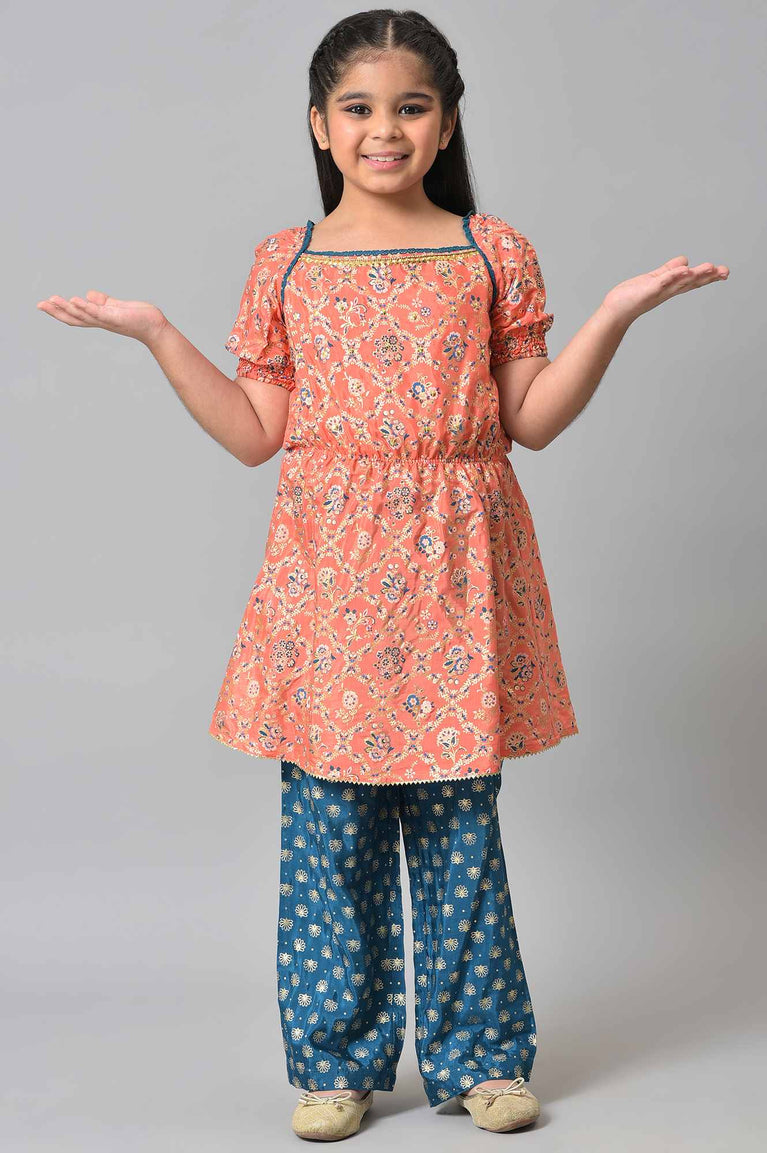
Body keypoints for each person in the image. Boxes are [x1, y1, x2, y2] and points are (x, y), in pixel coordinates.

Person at [36, 7, 729, 1142]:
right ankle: (335, 1064)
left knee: (459, 819)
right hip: (330, 579)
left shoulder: (490, 251)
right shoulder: (288, 260)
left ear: (446, 121)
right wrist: (157, 332)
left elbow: (530, 420)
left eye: (410, 106)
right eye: (357, 108)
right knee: (331, 826)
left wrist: (612, 313)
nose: (384, 129)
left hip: (456, 569)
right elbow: (256, 431)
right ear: (319, 124)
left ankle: (481, 1060)